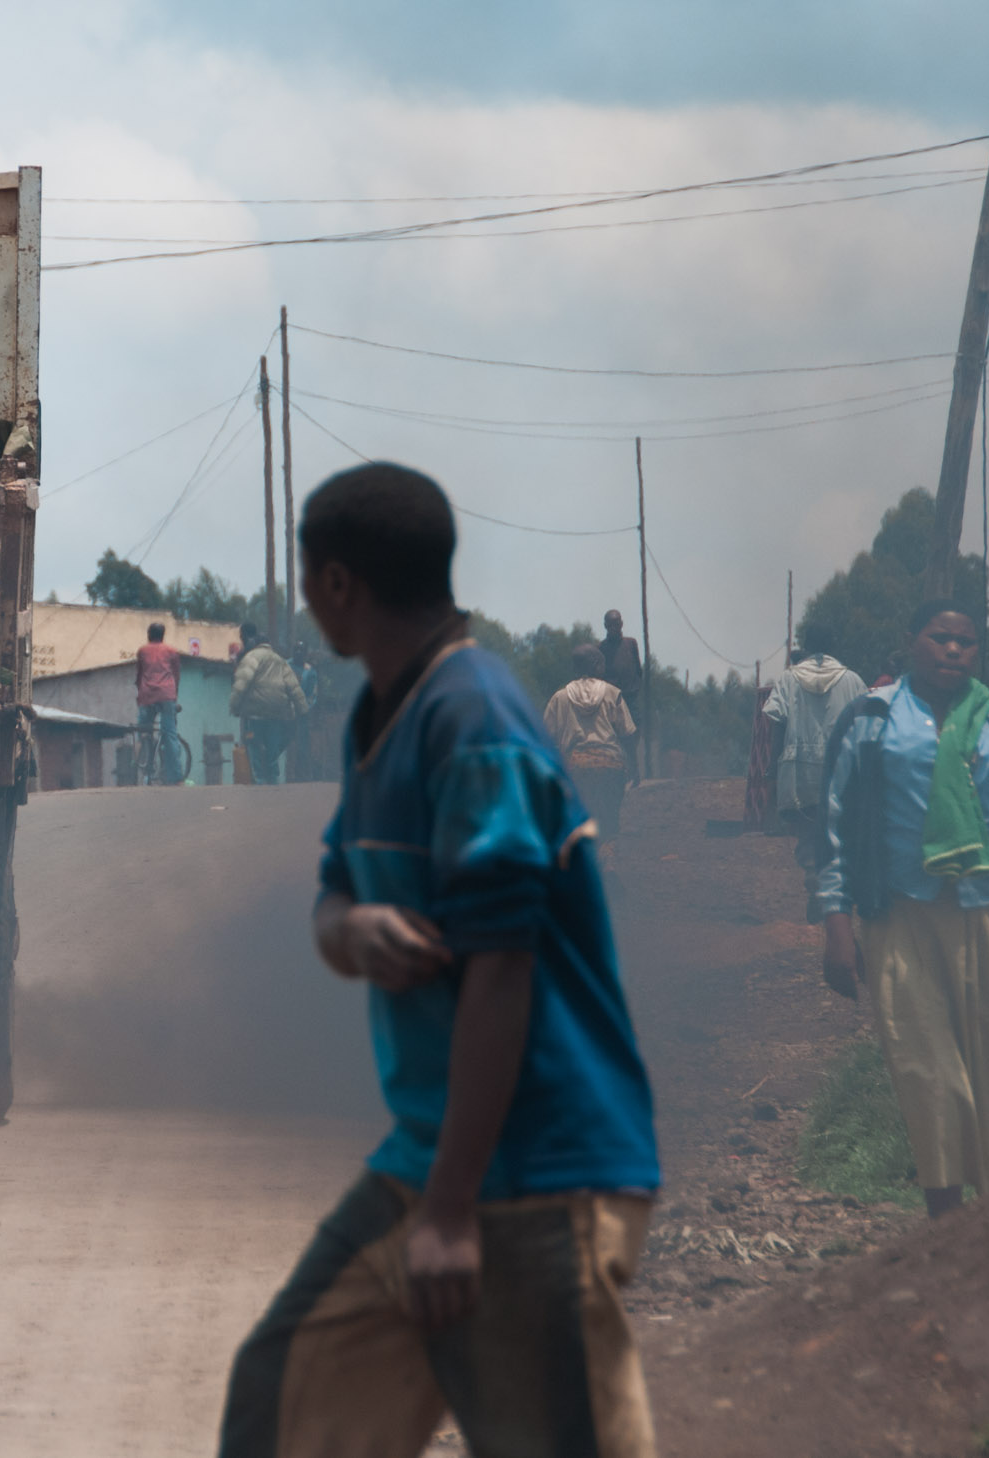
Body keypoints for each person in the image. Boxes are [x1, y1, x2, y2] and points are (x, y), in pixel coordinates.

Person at [220, 463, 661, 1458]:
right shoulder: (384, 715)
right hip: (432, 1160)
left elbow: (502, 967)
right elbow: (334, 890)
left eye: (306, 577)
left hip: (535, 1173)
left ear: (337, 586)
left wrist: (453, 1212)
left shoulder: (475, 721)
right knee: (280, 1399)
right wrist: (352, 932)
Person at [814, 600, 989, 1218]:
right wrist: (837, 925)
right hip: (900, 916)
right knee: (927, 1073)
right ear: (910, 642)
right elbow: (834, 823)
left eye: (965, 642)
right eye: (938, 638)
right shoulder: (871, 718)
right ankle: (947, 1229)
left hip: (988, 915)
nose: (952, 650)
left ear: (979, 651)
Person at [762, 623, 866, 878]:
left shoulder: (788, 679)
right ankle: (829, 880)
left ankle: (813, 877)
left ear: (806, 647)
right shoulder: (852, 681)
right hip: (840, 773)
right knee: (836, 830)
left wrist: (771, 769)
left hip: (800, 774)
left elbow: (776, 723)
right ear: (833, 647)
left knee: (808, 831)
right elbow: (863, 730)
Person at [542, 641, 636, 834]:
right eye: (602, 663)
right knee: (610, 823)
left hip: (576, 769)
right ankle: (608, 858)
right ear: (595, 665)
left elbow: (545, 739)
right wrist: (634, 766)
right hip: (610, 768)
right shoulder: (612, 693)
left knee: (576, 824)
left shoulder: (559, 698)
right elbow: (627, 734)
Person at [231, 621, 310, 785]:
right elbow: (293, 686)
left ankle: (260, 778)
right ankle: (273, 778)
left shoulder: (250, 657)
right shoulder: (280, 660)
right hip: (276, 712)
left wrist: (234, 706)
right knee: (272, 745)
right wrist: (303, 709)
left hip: (254, 712)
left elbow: (241, 684)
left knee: (253, 744)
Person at [133, 620, 184, 783]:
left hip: (147, 695)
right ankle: (176, 776)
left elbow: (139, 676)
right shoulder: (172, 651)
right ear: (163, 635)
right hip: (166, 695)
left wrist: (139, 694)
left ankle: (136, 767)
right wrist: (174, 695)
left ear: (149, 635)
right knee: (169, 734)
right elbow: (176, 676)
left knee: (142, 731)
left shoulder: (142, 651)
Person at [600, 609, 645, 778]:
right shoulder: (602, 648)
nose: (615, 628)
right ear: (605, 626)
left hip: (631, 695)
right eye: (611, 625)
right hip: (614, 699)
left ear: (622, 624)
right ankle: (623, 769)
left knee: (634, 730)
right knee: (615, 734)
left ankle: (632, 766)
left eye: (617, 624)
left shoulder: (631, 644)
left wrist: (636, 686)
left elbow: (638, 669)